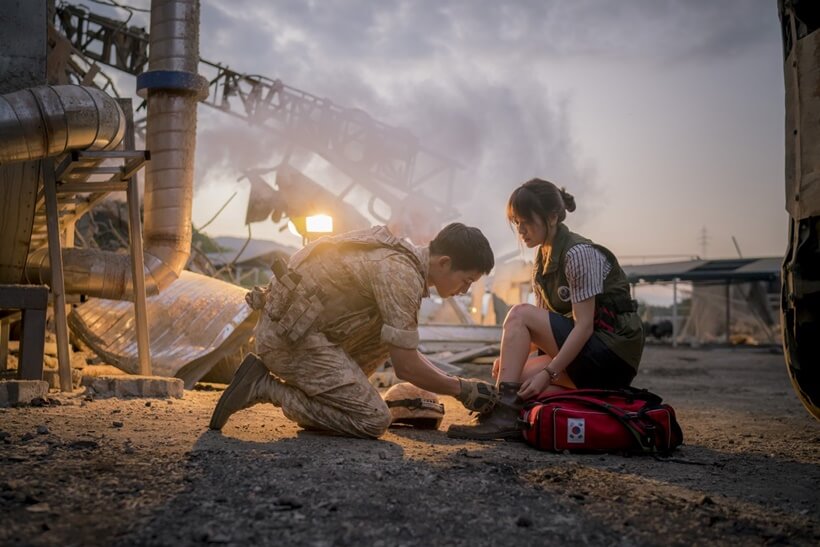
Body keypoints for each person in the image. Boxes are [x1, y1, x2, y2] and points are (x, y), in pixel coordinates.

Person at [209, 222, 498, 438]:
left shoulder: (402, 260)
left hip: (302, 332)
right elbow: (406, 367)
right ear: (444, 262)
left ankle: (328, 391)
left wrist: (456, 383)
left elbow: (404, 352)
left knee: (395, 334)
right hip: (288, 340)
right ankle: (263, 386)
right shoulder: (400, 274)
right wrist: (462, 389)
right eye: (467, 280)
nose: (465, 290)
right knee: (372, 419)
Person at [448, 178, 644, 440]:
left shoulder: (578, 254)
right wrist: (509, 359)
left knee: (519, 313)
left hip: (611, 355)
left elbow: (584, 327)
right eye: (516, 223)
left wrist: (548, 373)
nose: (521, 230)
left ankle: (502, 415)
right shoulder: (542, 259)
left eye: (526, 221)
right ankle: (512, 415)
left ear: (552, 217)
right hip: (588, 356)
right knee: (518, 383)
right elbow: (541, 330)